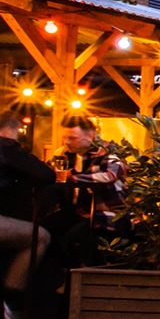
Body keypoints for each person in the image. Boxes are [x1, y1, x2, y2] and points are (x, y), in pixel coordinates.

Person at [49, 115, 128, 268]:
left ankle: (82, 274)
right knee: (45, 230)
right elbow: (50, 173)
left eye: (72, 138)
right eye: (65, 137)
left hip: (105, 212)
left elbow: (110, 175)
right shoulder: (63, 154)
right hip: (75, 210)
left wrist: (73, 177)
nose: (67, 142)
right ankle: (61, 275)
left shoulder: (108, 152)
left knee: (78, 236)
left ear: (90, 135)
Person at [0, 112, 55, 319]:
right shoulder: (6, 146)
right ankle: (9, 302)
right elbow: (46, 175)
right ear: (9, 130)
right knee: (40, 237)